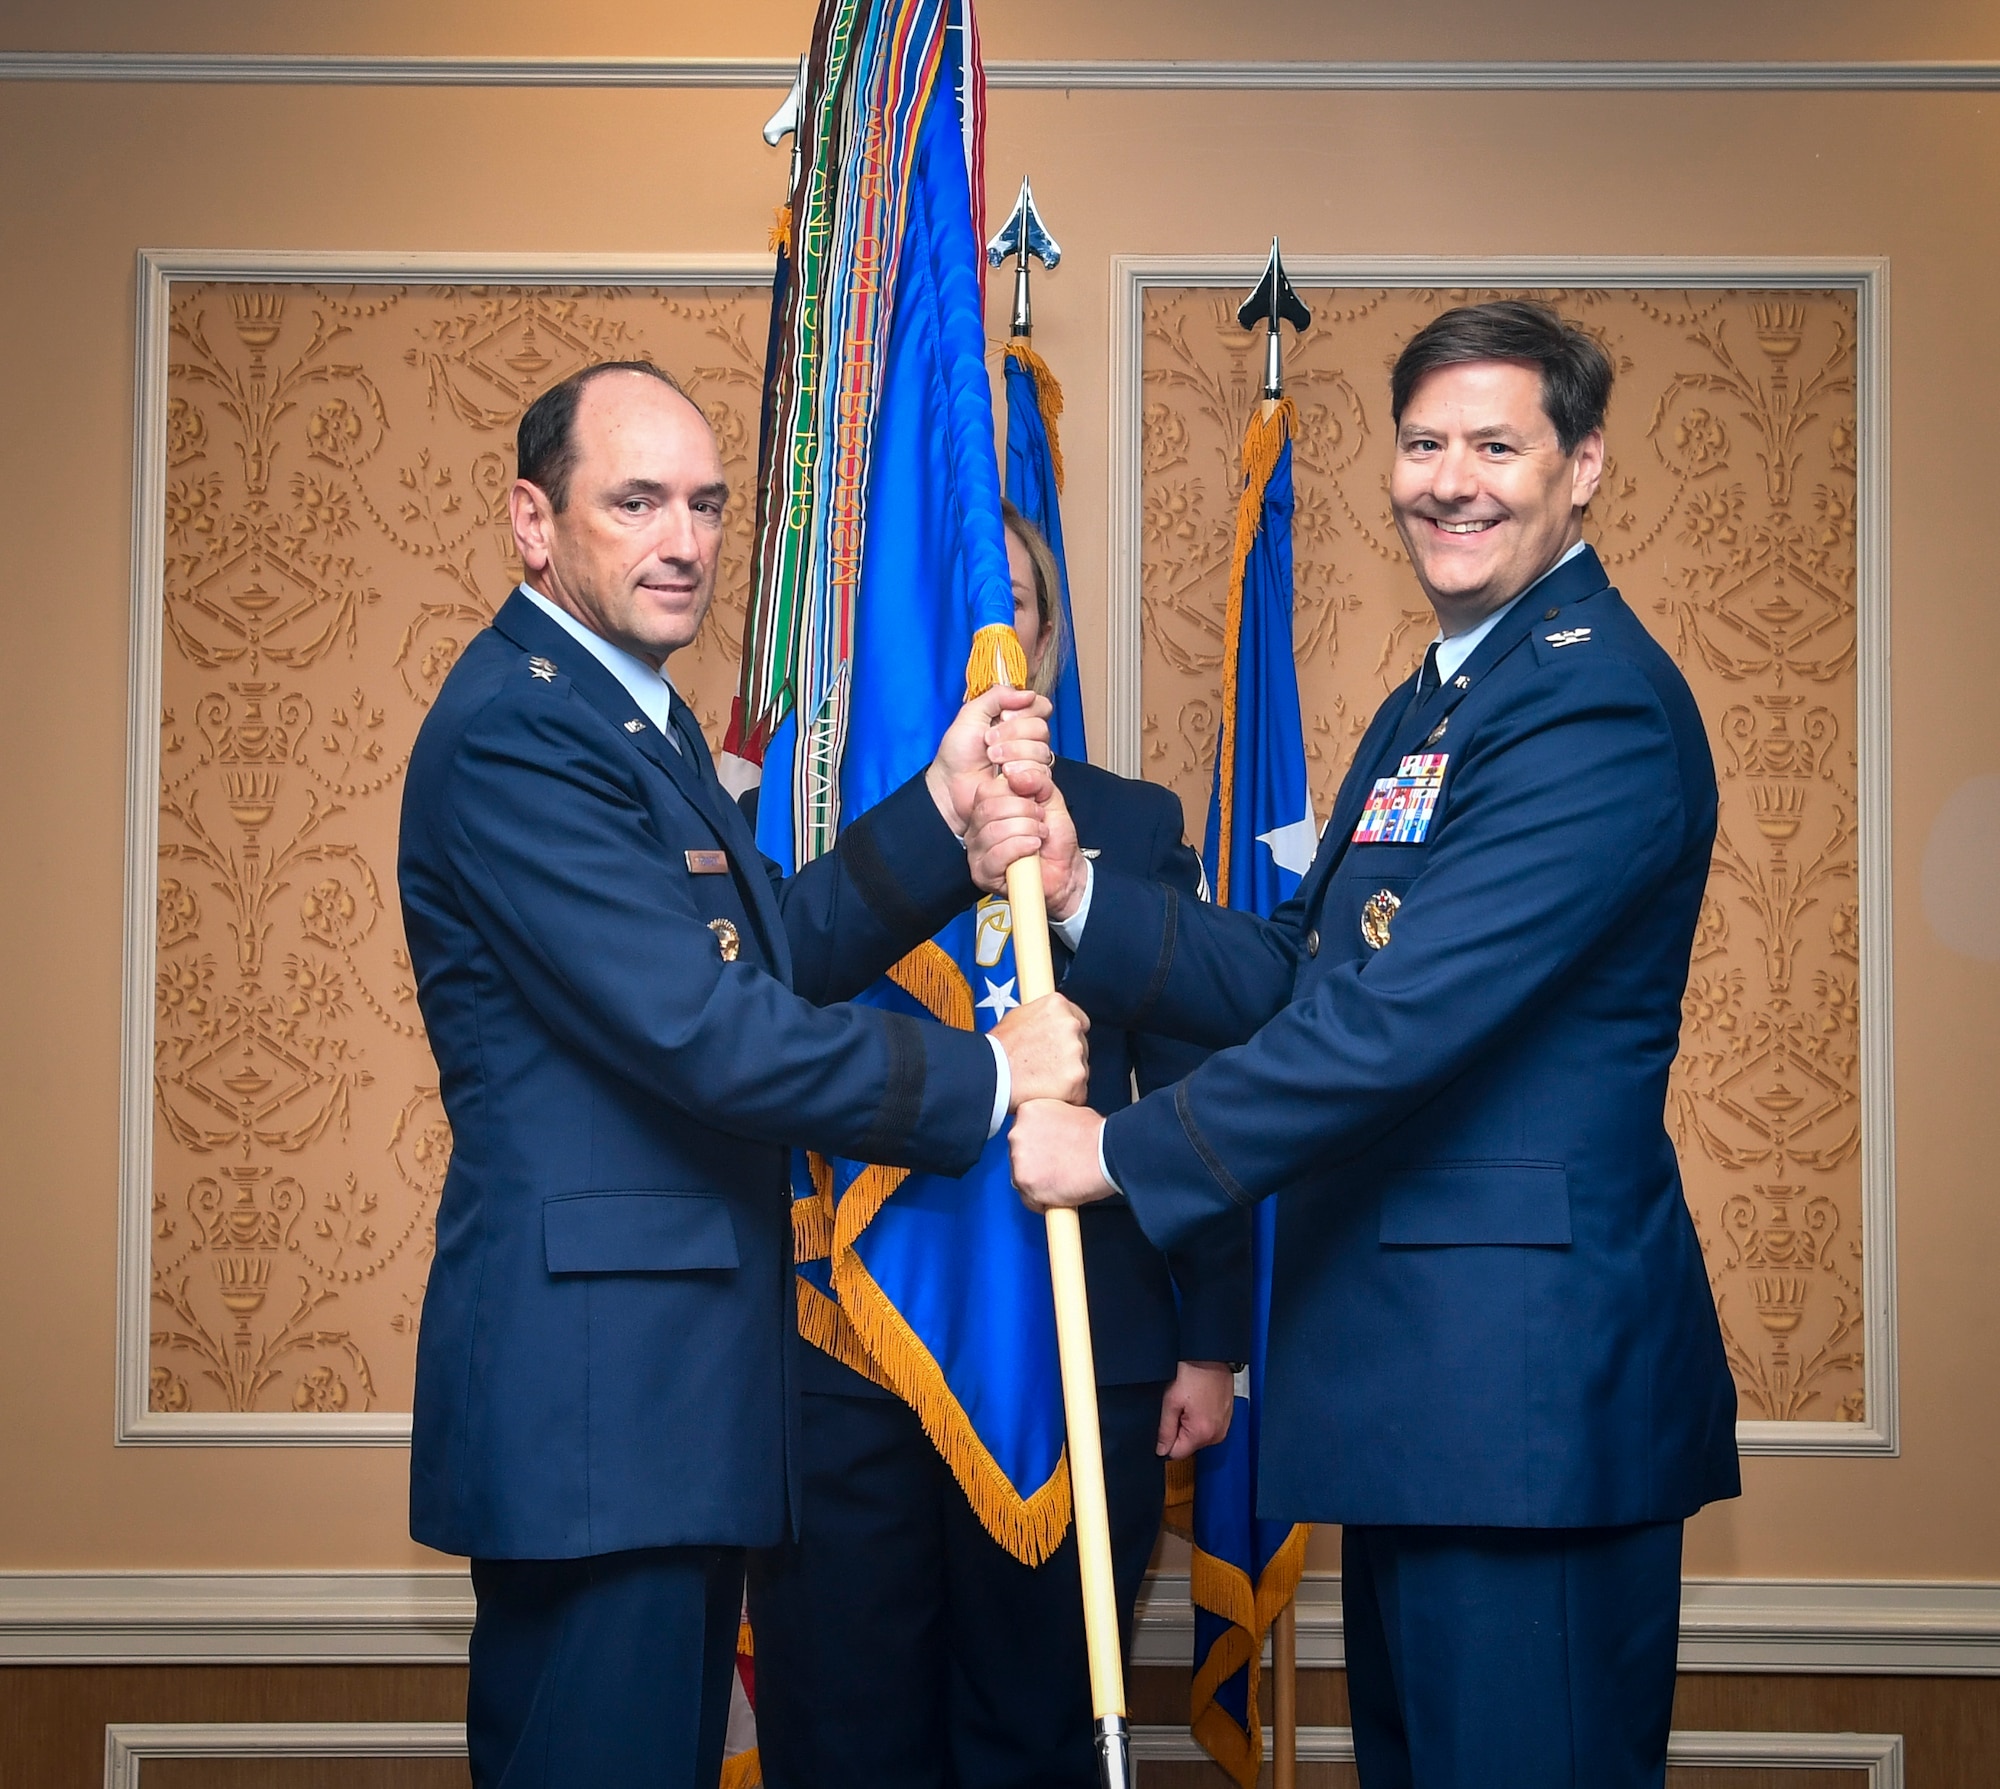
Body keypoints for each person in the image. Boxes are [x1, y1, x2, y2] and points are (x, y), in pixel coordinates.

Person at [1009, 302, 1741, 1789]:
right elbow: (1304, 969)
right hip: (1428, 1396)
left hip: (1525, 1406)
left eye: (1496, 442)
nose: (1450, 479)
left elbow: (1398, 1025)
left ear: (1583, 464)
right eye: (1422, 443)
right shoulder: (1445, 695)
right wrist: (1085, 894)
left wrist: (1117, 1153)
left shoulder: (1589, 701)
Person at [397, 360, 1090, 1789]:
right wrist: (989, 1079)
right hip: (604, 1411)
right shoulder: (524, 730)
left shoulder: (625, 718)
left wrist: (944, 818)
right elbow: (704, 1032)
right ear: (536, 523)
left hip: (662, 1408)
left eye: (708, 505)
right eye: (636, 501)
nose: (687, 540)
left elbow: (764, 947)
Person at [745, 502, 1248, 1789]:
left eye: (1013, 609)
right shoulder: (811, 820)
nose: (988, 641)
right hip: (842, 1341)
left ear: (1047, 635)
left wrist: (1208, 1339)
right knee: (849, 1720)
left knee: (1036, 1724)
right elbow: (747, 1033)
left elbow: (1192, 1058)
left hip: (1082, 1331)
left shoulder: (1127, 820)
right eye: (959, 616)